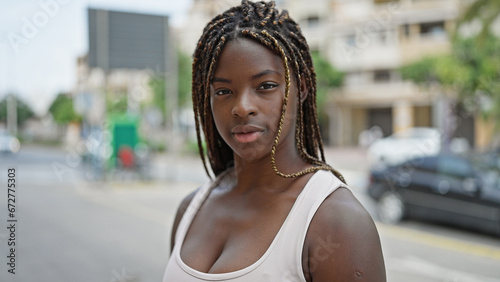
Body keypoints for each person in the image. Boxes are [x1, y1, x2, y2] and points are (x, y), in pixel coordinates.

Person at [163, 1, 386, 281]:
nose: (242, 107)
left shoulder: (336, 222)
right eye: (223, 91)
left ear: (301, 89)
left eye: (266, 86)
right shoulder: (190, 210)